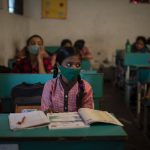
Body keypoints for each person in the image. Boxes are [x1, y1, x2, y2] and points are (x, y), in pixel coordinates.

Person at [41, 47, 94, 112]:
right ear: (58, 65)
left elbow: (88, 113)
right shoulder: (50, 85)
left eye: (78, 65)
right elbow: (46, 111)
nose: (74, 68)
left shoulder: (85, 86)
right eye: (69, 64)